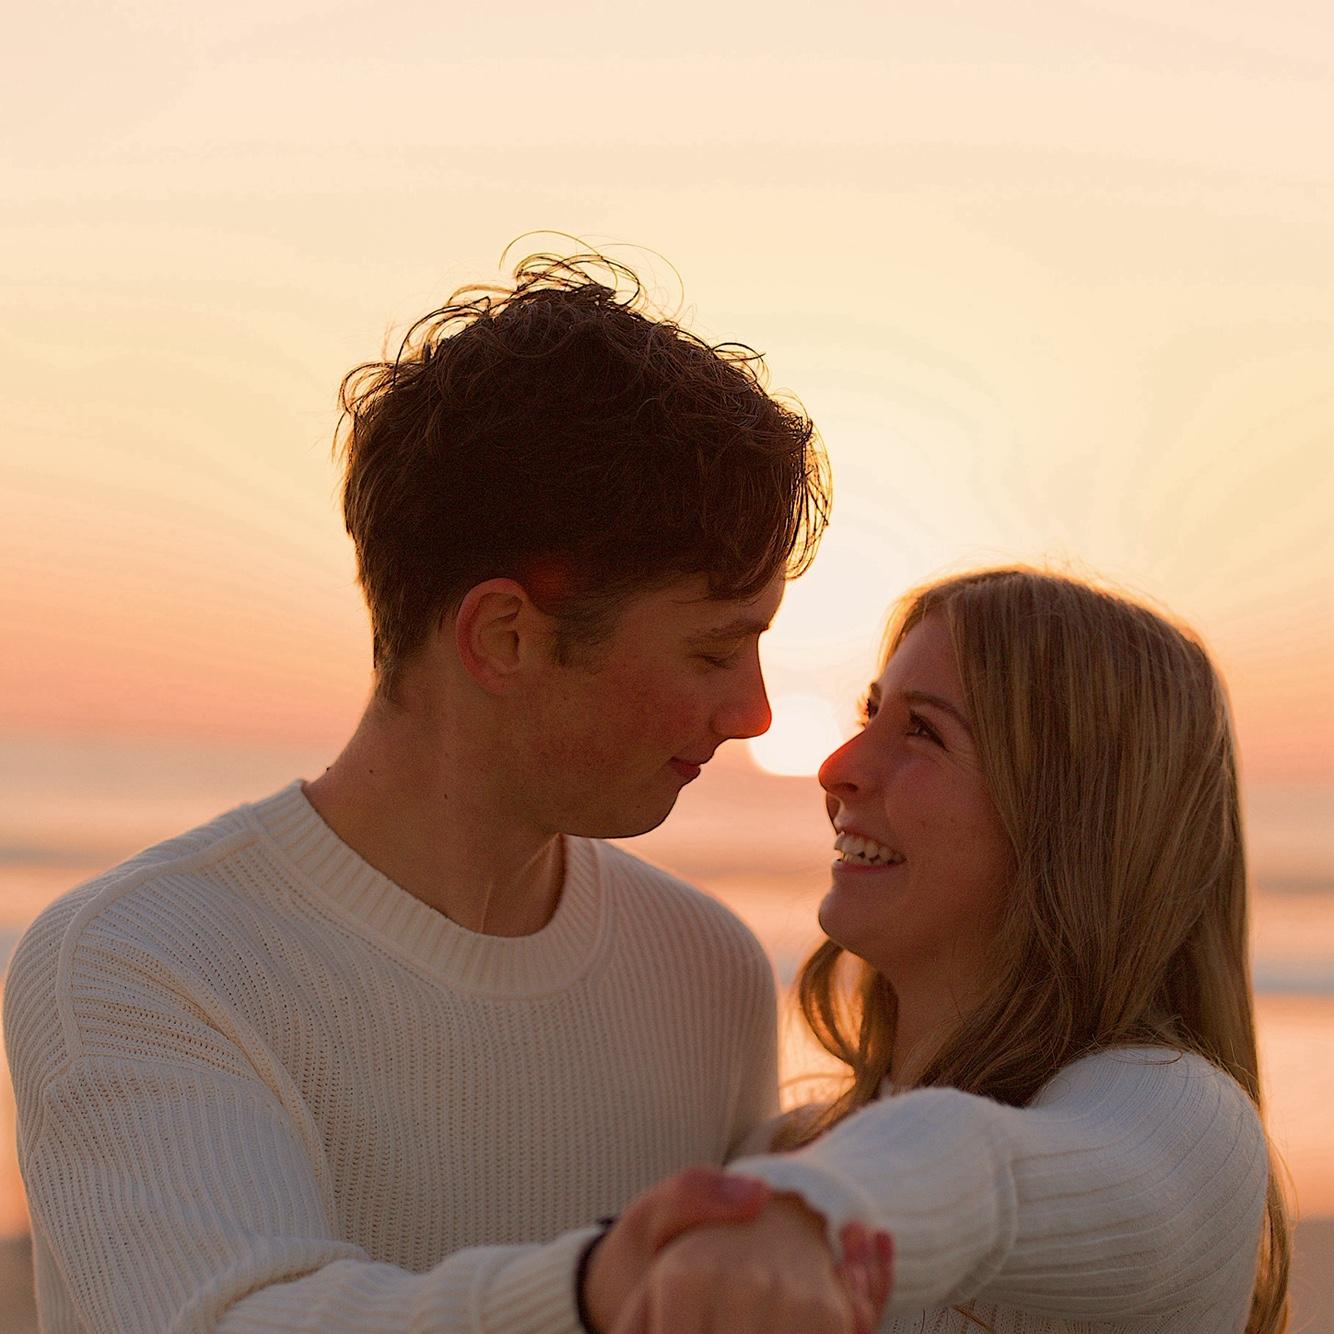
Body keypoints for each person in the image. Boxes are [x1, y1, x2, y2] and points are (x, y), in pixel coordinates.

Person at [2, 251, 879, 1333]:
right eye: (712, 652)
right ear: (503, 635)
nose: (754, 713)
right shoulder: (142, 960)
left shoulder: (705, 967)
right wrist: (590, 1289)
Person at [584, 567, 1289, 1333]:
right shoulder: (791, 1153)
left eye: (923, 731)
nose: (837, 769)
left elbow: (993, 1173)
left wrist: (812, 1213)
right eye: (871, 712)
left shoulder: (1183, 1119)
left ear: (1070, 821)